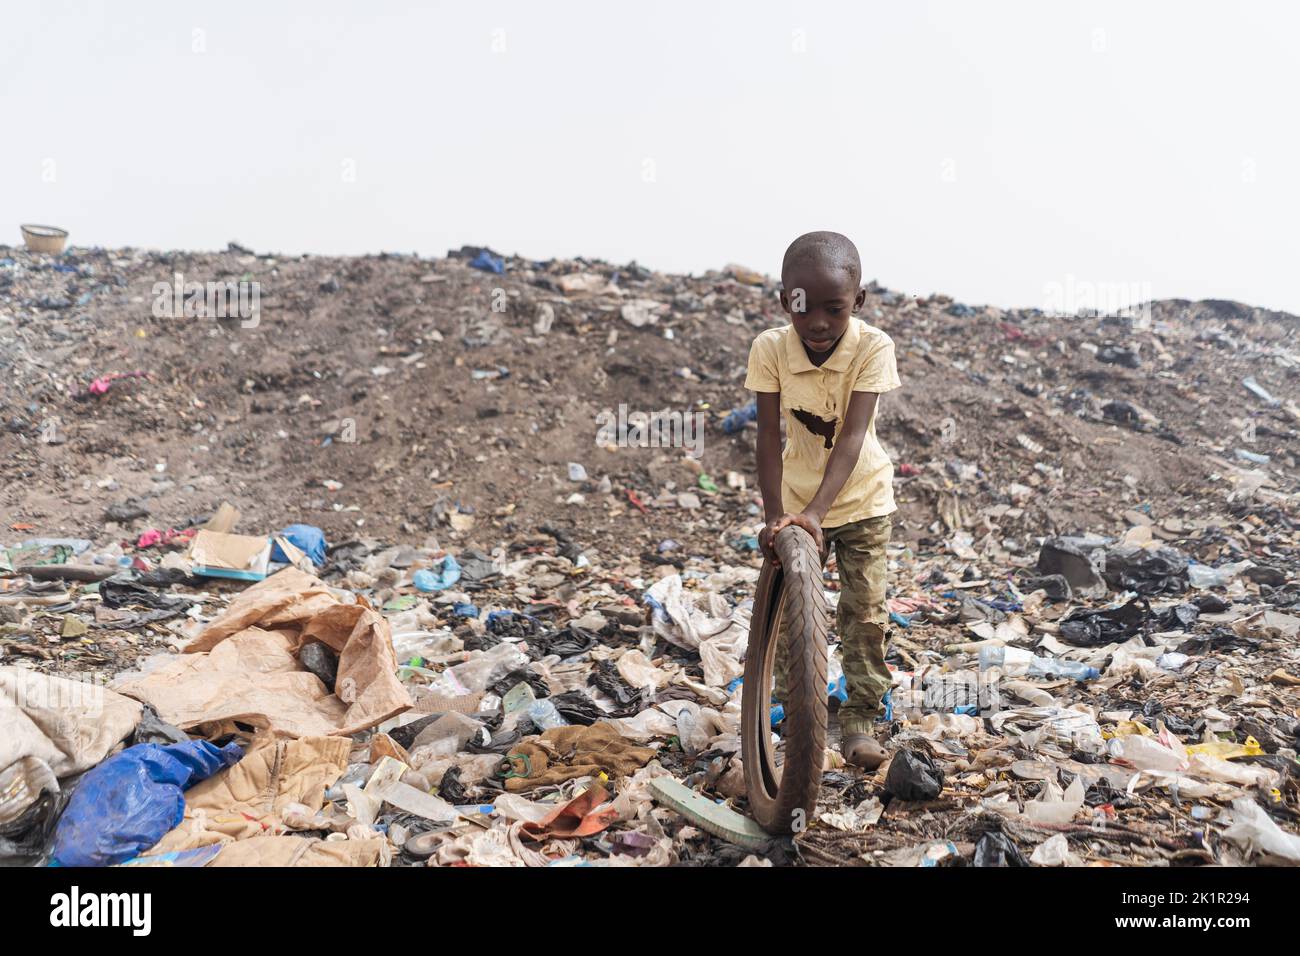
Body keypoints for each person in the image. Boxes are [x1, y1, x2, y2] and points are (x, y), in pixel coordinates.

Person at [744, 230, 901, 770]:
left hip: (861, 501)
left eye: (834, 309)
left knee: (863, 613)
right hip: (793, 503)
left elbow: (853, 437)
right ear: (784, 298)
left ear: (857, 302)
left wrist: (817, 513)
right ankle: (798, 721)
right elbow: (767, 436)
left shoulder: (873, 346)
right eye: (802, 306)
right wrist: (776, 517)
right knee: (793, 617)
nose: (817, 322)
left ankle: (859, 719)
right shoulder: (769, 348)